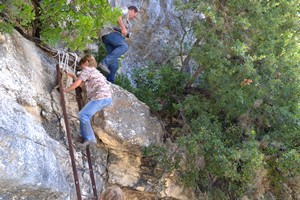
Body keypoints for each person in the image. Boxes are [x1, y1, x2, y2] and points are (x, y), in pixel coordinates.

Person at [64, 54, 112, 147]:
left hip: (100, 97)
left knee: (83, 115)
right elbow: (82, 85)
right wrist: (74, 77)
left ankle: (90, 138)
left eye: (81, 66)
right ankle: (85, 137)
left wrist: (66, 90)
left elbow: (78, 83)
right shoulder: (95, 72)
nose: (81, 69)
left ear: (86, 62)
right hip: (106, 98)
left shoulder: (87, 69)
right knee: (85, 115)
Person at [98, 5, 139, 83]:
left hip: (107, 37)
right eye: (134, 15)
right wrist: (123, 28)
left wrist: (124, 32)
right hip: (109, 32)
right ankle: (104, 63)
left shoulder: (128, 21)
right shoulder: (125, 9)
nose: (133, 17)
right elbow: (117, 15)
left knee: (114, 63)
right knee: (124, 46)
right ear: (132, 10)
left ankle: (109, 82)